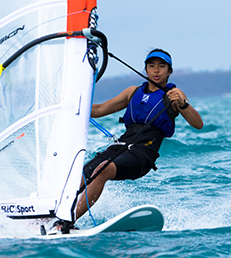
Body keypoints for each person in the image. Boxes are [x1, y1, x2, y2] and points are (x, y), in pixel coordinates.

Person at [56, 49, 203, 232]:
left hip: (144, 153)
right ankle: (51, 217)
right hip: (121, 147)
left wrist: (183, 104)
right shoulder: (132, 92)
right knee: (81, 174)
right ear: (145, 69)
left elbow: (198, 124)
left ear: (169, 71)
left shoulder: (173, 94)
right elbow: (100, 109)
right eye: (151, 66)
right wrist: (69, 105)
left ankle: (66, 222)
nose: (156, 71)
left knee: (102, 170)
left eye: (161, 66)